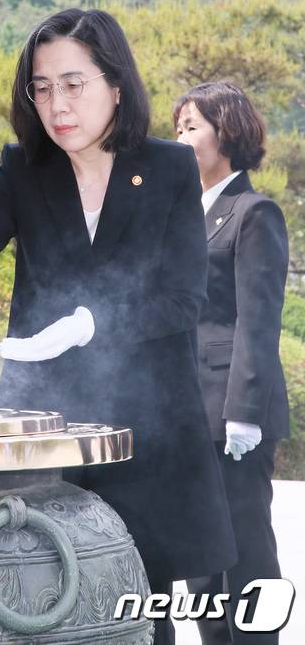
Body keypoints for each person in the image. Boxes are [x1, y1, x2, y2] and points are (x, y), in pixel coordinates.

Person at [0, 9, 236, 645]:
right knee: (36, 599)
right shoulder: (24, 168)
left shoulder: (168, 167)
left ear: (116, 86)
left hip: (147, 430)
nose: (57, 105)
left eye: (74, 84)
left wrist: (90, 324)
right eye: (42, 87)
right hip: (43, 430)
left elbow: (184, 299)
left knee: (142, 611)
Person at [175, 81, 290, 645]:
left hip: (234, 413)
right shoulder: (183, 214)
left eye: (191, 127)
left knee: (245, 557)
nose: (180, 139)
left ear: (227, 132)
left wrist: (243, 413)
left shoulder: (254, 212)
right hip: (189, 411)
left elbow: (257, 321)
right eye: (177, 127)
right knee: (200, 563)